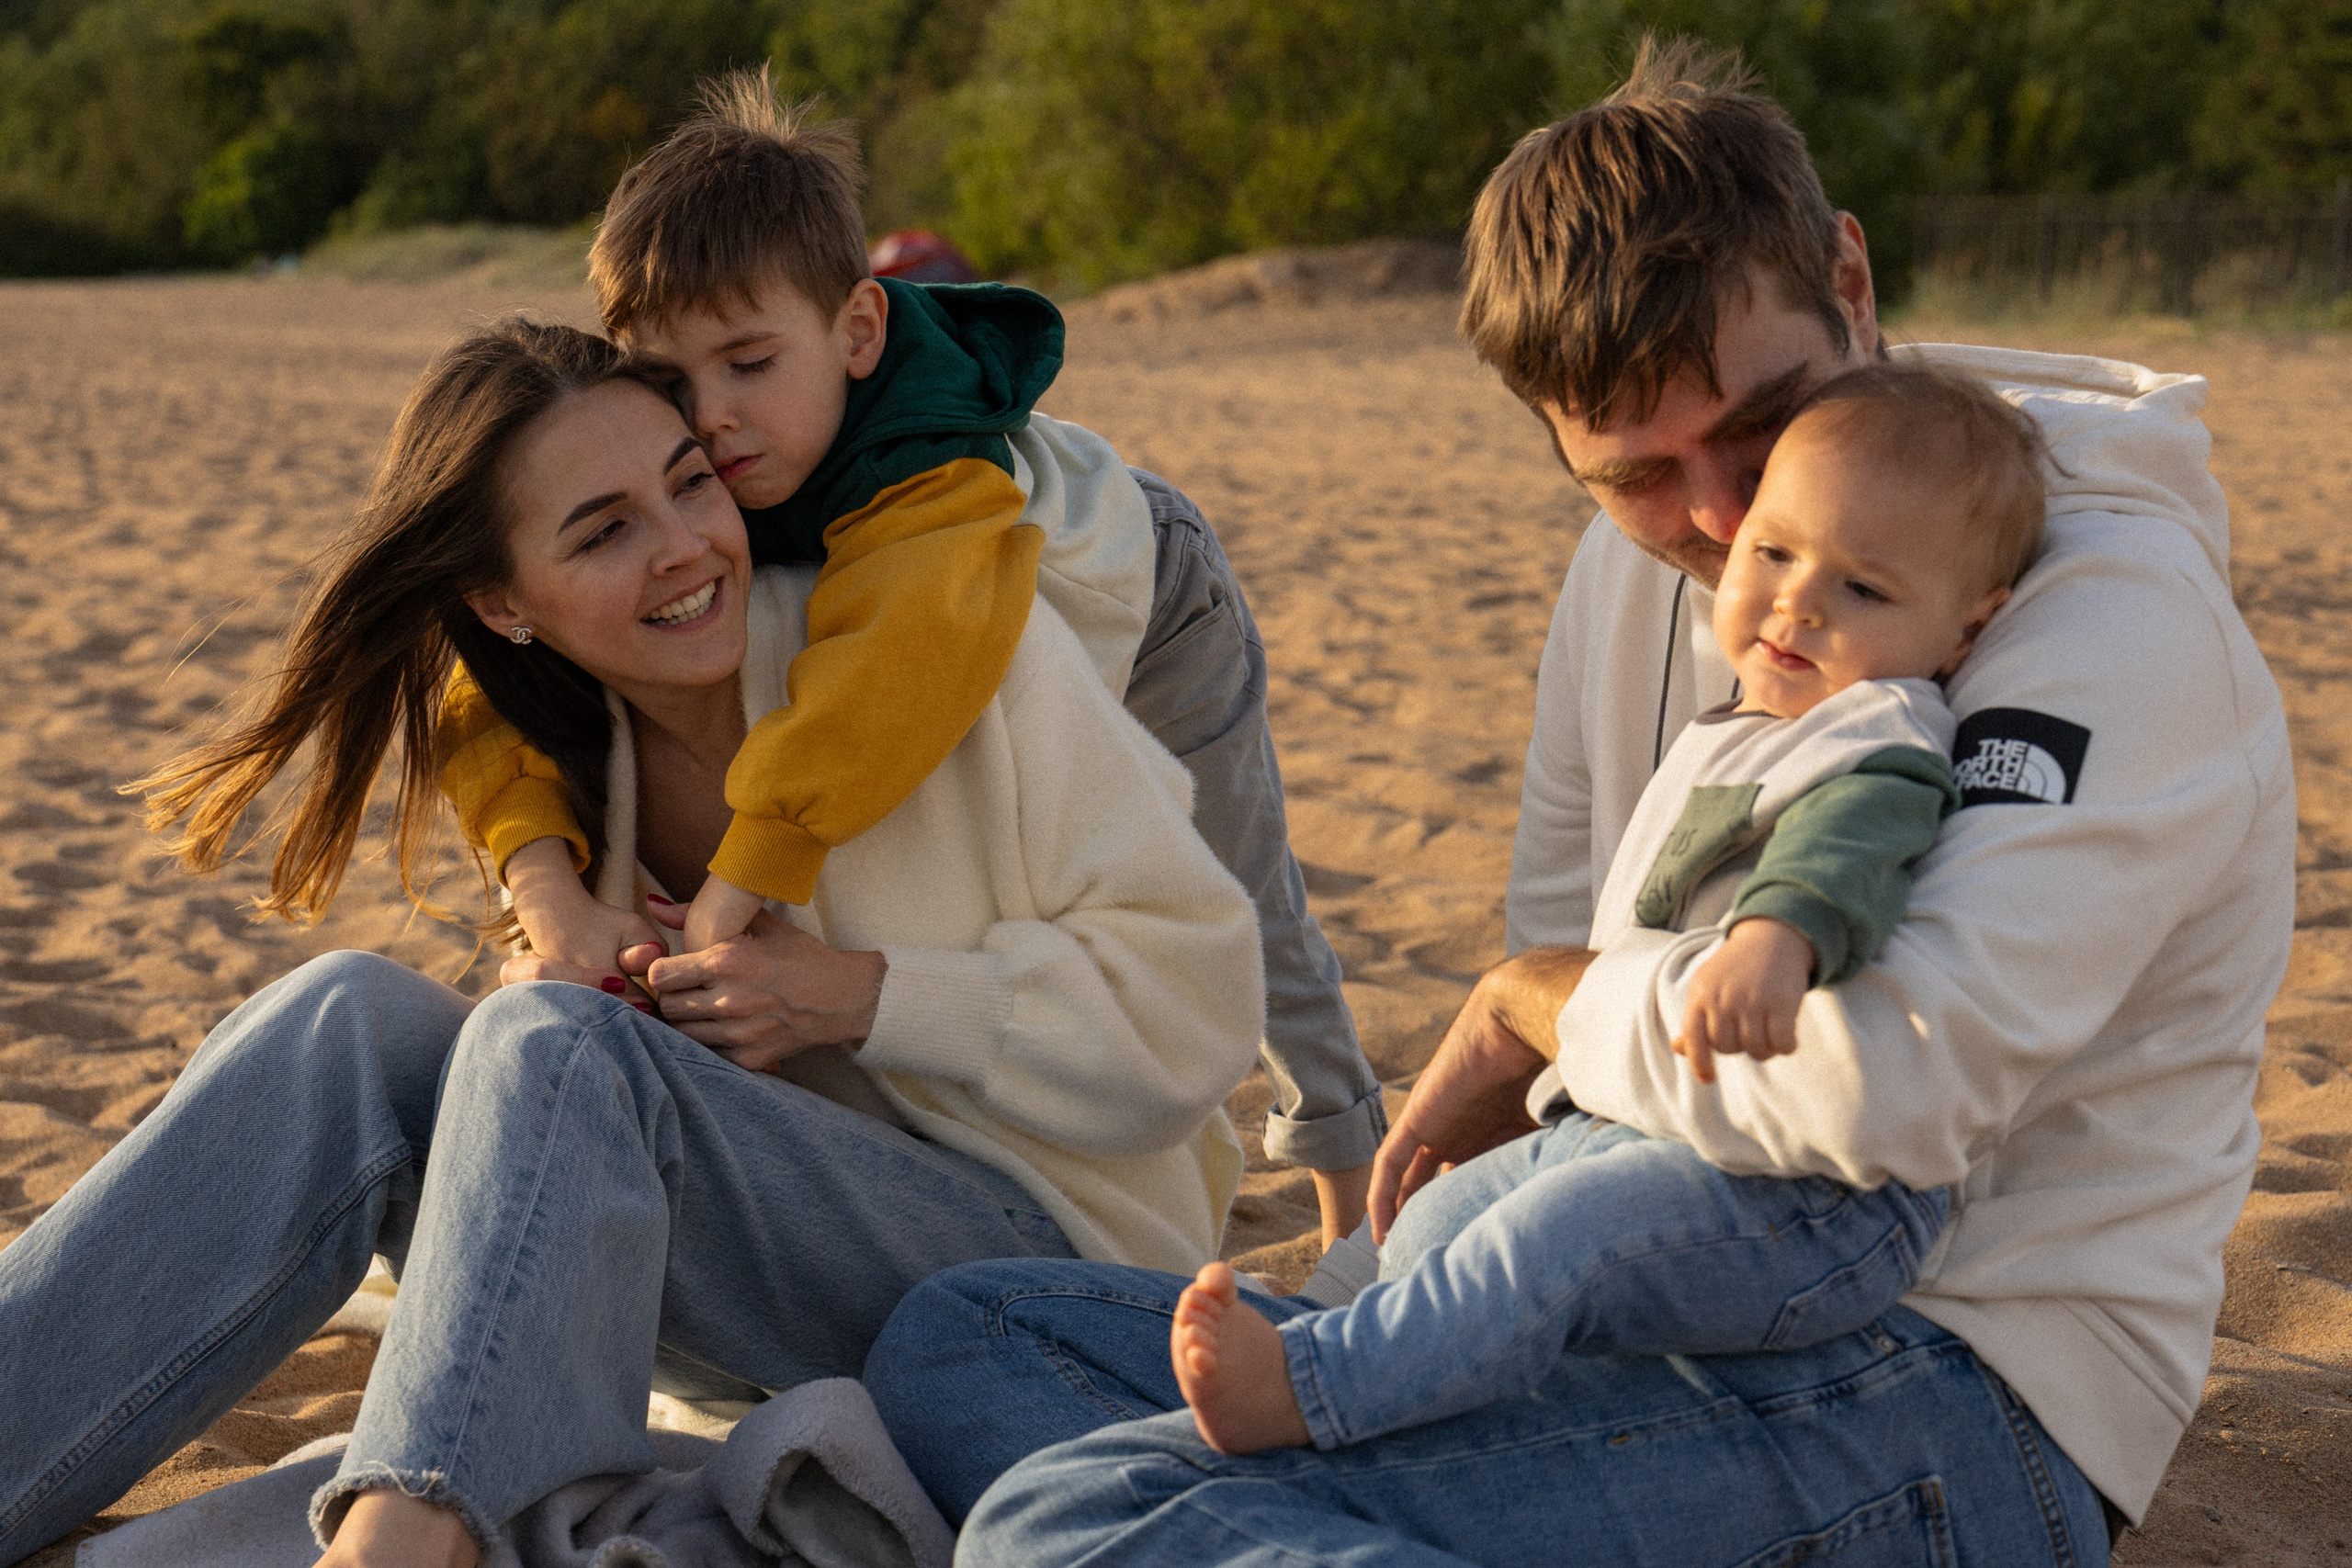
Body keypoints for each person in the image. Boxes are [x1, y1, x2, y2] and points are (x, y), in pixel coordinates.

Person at [863, 39, 2292, 1565]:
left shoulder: (2105, 606)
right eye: (1638, 472)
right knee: (965, 1341)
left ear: (1851, 280)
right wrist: (1379, 1314)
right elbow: (1573, 1090)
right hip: (1643, 1276)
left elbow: (1888, 1087)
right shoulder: (1630, 578)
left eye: (1761, 422)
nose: (1726, 519)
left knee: (1064, 1518)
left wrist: (1536, 998)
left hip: (1964, 1382)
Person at [0, 319, 1265, 1568]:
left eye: (690, 484)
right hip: (768, 1297)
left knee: (551, 1040)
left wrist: (861, 997)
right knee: (348, 1018)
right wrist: (560, 928)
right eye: (604, 530)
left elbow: (1203, 1003)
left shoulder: (932, 662)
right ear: (504, 602)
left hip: (1044, 1291)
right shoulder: (565, 767)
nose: (683, 549)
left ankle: (402, 1545)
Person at [436, 69, 1385, 1243]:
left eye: (749, 363)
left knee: (1241, 879)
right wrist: (540, 882)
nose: (712, 416)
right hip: (943, 615)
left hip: (1132, 583)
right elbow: (482, 680)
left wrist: (740, 889)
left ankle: (1352, 1186)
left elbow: (893, 672)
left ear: (858, 329)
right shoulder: (696, 473)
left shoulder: (927, 474)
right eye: (671, 380)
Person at [1170, 362, 2035, 1456]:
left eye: (1863, 591)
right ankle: (1369, 1375)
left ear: (1964, 632)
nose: (1798, 603)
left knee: (1556, 1238)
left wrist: (1776, 939)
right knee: (1440, 1224)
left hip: (1811, 1202)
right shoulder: (1754, 718)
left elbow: (1851, 842)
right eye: (1772, 555)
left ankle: (1315, 1398)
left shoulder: (1878, 727)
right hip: (1655, 1135)